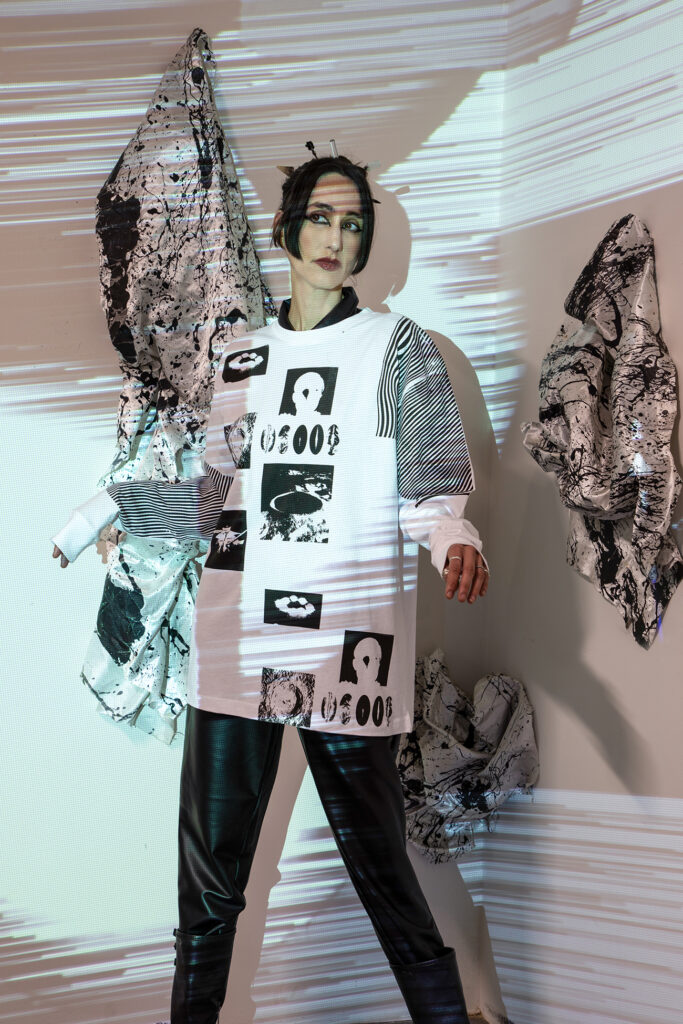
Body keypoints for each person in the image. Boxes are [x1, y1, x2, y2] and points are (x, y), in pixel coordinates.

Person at [52, 152, 488, 1024]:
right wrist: (110, 505)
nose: (336, 238)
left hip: (347, 647)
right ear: (286, 228)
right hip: (237, 643)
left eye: (353, 223)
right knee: (208, 888)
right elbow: (223, 499)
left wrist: (454, 538)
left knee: (383, 877)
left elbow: (431, 489)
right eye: (320, 217)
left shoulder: (399, 349)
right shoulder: (240, 356)